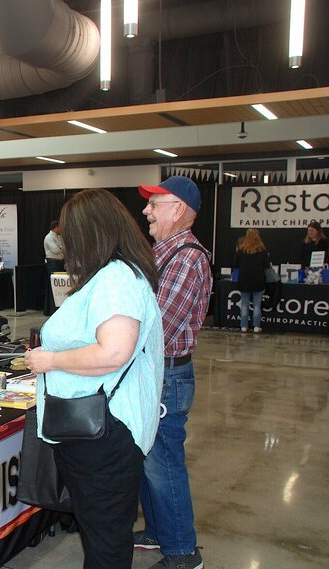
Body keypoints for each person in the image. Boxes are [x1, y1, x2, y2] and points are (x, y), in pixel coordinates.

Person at [24, 189, 163, 569]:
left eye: (70, 233)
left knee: (105, 541)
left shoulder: (116, 278)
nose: (65, 242)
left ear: (90, 233)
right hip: (97, 433)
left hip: (104, 434)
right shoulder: (110, 276)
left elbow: (113, 352)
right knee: (103, 533)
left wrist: (50, 360)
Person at [135, 175, 211, 569]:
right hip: (153, 373)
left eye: (155, 203)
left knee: (163, 462)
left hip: (167, 376)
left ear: (178, 209)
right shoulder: (162, 253)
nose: (146, 210)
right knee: (147, 455)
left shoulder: (185, 258)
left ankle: (182, 552)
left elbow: (157, 329)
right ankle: (157, 531)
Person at [234, 229, 270, 333]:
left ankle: (244, 326)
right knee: (257, 305)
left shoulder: (241, 250)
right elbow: (266, 265)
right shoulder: (262, 250)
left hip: (244, 280)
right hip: (258, 281)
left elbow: (235, 264)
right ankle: (256, 326)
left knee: (244, 304)